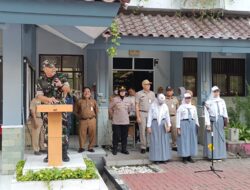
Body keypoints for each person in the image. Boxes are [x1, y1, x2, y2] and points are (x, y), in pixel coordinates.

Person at [36, 60, 71, 162]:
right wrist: (48, 99)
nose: (53, 69)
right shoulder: (40, 79)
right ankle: (49, 154)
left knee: (63, 131)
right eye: (50, 67)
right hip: (47, 109)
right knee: (48, 132)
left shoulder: (61, 76)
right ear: (44, 68)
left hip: (61, 108)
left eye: (53, 67)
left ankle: (64, 153)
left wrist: (61, 85)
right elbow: (39, 96)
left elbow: (68, 89)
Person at [203, 86, 228, 161]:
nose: (216, 93)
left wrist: (225, 122)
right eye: (215, 91)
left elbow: (224, 111)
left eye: (217, 91)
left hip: (220, 121)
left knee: (220, 139)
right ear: (212, 92)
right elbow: (206, 114)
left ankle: (219, 155)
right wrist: (208, 124)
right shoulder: (208, 102)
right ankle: (212, 155)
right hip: (212, 122)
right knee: (211, 140)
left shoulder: (222, 101)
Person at [147, 93, 172, 164]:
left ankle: (164, 158)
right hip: (154, 124)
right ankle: (156, 158)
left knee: (163, 141)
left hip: (163, 124)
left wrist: (169, 125)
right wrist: (148, 126)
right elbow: (150, 116)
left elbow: (167, 116)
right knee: (156, 141)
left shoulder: (165, 106)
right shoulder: (152, 106)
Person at [176, 92, 199, 164]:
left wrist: (197, 124)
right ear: (184, 99)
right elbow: (178, 118)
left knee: (191, 140)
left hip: (192, 123)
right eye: (186, 98)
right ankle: (184, 157)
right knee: (184, 140)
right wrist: (178, 127)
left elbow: (195, 116)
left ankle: (190, 156)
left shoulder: (193, 107)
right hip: (184, 123)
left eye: (189, 98)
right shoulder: (181, 107)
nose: (188, 99)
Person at [109, 86, 132, 155]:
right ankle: (115, 149)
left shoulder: (128, 100)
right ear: (119, 92)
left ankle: (124, 149)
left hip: (125, 121)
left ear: (125, 92)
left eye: (124, 91)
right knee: (116, 135)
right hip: (116, 121)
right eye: (121, 91)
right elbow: (110, 108)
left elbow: (129, 110)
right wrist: (113, 115)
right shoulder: (115, 99)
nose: (122, 92)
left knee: (124, 136)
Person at [75, 87, 98, 153]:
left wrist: (93, 117)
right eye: (85, 91)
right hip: (82, 120)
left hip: (92, 120)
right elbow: (75, 111)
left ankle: (90, 147)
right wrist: (80, 117)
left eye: (88, 91)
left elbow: (96, 111)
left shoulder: (93, 101)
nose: (86, 93)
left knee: (92, 134)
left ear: (90, 93)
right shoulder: (79, 101)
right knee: (82, 134)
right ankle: (81, 147)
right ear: (83, 93)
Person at [136, 79, 155, 154]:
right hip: (142, 113)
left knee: (149, 130)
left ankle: (149, 146)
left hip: (151, 114)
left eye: (149, 84)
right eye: (147, 84)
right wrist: (138, 116)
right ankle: (143, 146)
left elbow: (154, 105)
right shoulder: (139, 94)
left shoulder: (152, 94)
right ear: (143, 85)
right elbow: (137, 105)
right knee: (142, 130)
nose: (149, 86)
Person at [165, 86, 179, 151]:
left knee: (174, 131)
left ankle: (174, 144)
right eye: (168, 91)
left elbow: (178, 109)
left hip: (174, 116)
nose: (169, 92)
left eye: (170, 91)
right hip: (166, 117)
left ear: (172, 91)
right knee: (165, 130)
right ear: (166, 91)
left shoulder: (175, 99)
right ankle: (165, 144)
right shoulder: (164, 99)